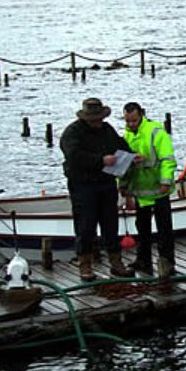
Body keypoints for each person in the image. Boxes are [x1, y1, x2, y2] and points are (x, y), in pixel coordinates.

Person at [60, 98, 134, 281]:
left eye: (100, 119)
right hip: (83, 185)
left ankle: (116, 264)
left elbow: (119, 144)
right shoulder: (72, 133)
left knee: (111, 224)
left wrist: (132, 155)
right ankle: (85, 264)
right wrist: (100, 160)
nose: (98, 123)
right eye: (94, 120)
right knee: (85, 226)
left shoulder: (107, 129)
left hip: (106, 183)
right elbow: (74, 156)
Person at [120, 102, 177, 282]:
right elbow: (122, 165)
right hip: (140, 191)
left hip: (159, 188)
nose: (131, 124)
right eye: (128, 121)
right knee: (142, 227)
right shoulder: (126, 136)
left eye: (134, 120)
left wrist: (166, 181)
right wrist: (124, 188)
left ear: (142, 115)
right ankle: (143, 260)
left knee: (164, 228)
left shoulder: (156, 132)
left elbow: (167, 158)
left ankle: (167, 262)